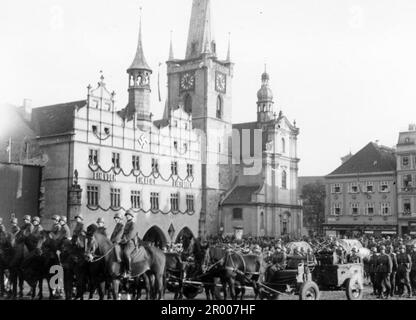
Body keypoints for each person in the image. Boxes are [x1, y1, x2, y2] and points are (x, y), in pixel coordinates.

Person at [120, 210, 138, 276]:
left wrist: (124, 239)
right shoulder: (126, 224)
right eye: (126, 215)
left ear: (131, 216)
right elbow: (123, 234)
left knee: (126, 253)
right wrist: (120, 239)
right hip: (125, 242)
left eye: (128, 215)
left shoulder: (133, 224)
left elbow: (131, 234)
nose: (127, 216)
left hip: (131, 242)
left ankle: (129, 271)